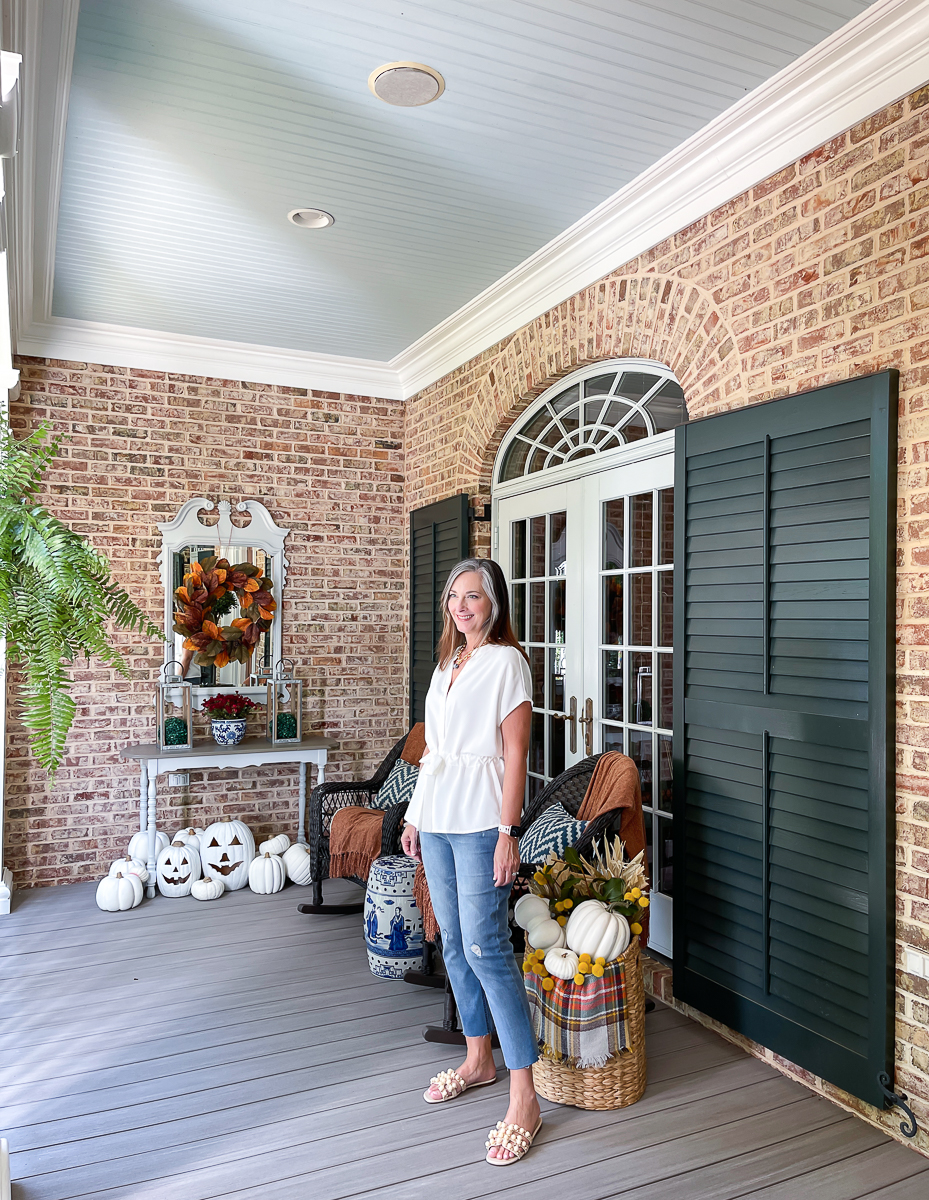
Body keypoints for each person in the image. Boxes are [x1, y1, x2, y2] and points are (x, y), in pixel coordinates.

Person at [401, 557, 542, 1166]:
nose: (462, 606)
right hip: (436, 820)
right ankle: (478, 1058)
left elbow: (515, 757)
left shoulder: (508, 663)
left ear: (494, 604)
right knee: (454, 944)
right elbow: (434, 751)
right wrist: (412, 814)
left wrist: (511, 830)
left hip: (483, 822)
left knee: (486, 947)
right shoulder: (445, 665)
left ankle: (524, 1097)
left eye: (474, 596)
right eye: (454, 597)